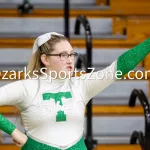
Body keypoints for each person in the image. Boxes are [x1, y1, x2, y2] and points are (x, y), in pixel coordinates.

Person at [0, 32, 150, 150]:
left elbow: (120, 67)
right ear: (45, 59)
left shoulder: (81, 84)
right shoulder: (26, 87)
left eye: (72, 54)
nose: (70, 59)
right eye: (63, 55)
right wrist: (14, 132)